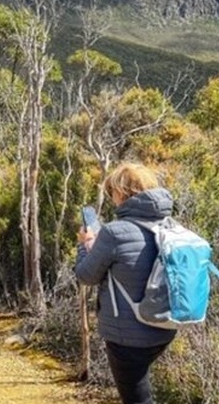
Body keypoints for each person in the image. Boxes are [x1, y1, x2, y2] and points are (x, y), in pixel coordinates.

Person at [74, 162, 178, 404]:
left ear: (122, 192)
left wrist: (84, 245)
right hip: (165, 327)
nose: (112, 198)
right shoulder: (168, 225)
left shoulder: (114, 232)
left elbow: (86, 275)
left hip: (128, 337)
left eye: (113, 192)